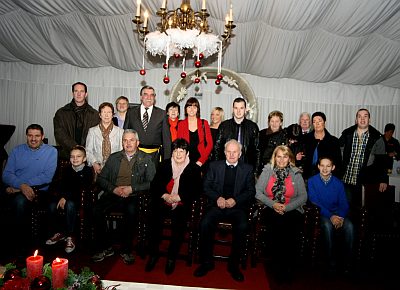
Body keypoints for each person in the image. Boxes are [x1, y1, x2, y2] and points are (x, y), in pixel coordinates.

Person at [193, 140, 255, 282]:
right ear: (224, 152)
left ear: (240, 154)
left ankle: (234, 266)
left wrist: (236, 200)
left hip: (237, 207)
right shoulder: (214, 166)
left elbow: (251, 191)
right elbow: (206, 186)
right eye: (229, 151)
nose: (232, 154)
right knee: (204, 224)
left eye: (235, 152)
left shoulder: (247, 169)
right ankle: (207, 263)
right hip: (217, 205)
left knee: (243, 226)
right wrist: (217, 198)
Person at [92, 129, 156, 264]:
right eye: (125, 140)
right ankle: (106, 246)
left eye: (131, 140)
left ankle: (126, 250)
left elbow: (152, 182)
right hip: (113, 193)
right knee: (95, 210)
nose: (128, 143)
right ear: (122, 142)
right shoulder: (113, 157)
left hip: (134, 195)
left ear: (137, 142)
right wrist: (113, 189)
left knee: (131, 212)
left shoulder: (146, 158)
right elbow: (101, 179)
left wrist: (132, 188)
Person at [145, 139, 202, 275]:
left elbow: (197, 190)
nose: (178, 154)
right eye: (175, 151)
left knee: (179, 224)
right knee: (154, 219)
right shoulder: (164, 165)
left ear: (187, 153)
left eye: (181, 151)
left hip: (182, 203)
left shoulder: (193, 168)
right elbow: (155, 185)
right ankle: (154, 254)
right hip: (164, 200)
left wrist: (180, 197)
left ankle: (171, 257)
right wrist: (164, 195)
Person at [2, 124, 57, 257]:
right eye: (30, 135)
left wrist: (21, 187)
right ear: (26, 136)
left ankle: (21, 245)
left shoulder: (51, 151)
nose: (33, 139)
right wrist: (21, 186)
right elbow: (6, 174)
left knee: (20, 201)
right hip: (16, 188)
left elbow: (46, 176)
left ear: (42, 136)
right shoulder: (17, 150)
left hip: (40, 192)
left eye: (37, 136)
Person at [255, 145, 307, 282]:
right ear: (274, 157)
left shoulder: (296, 173)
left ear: (290, 158)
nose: (282, 160)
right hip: (270, 207)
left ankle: (288, 266)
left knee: (290, 228)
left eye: (285, 156)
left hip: (292, 208)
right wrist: (274, 204)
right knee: (277, 225)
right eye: (279, 156)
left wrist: (286, 207)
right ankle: (277, 266)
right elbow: (258, 193)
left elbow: (303, 197)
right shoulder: (267, 170)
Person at [307, 157, 354, 275]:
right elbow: (314, 201)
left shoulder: (338, 183)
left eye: (328, 166)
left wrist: (341, 217)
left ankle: (347, 262)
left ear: (333, 168)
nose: (324, 168)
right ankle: (330, 262)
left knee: (349, 227)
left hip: (337, 214)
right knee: (327, 226)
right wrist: (331, 216)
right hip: (320, 213)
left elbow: (344, 203)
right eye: (322, 165)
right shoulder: (312, 181)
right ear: (318, 166)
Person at [45, 145, 93, 253]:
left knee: (70, 205)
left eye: (78, 156)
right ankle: (58, 233)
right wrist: (61, 197)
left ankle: (70, 236)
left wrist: (65, 197)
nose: (75, 159)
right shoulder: (66, 169)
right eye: (72, 156)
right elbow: (61, 185)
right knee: (52, 206)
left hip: (80, 199)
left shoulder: (88, 171)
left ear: (84, 158)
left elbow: (80, 187)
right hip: (65, 198)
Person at [339, 108, 384, 209]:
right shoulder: (347, 134)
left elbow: (382, 160)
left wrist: (383, 179)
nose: (362, 119)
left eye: (365, 116)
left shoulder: (377, 137)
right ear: (356, 120)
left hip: (365, 181)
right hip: (345, 180)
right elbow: (337, 153)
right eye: (359, 116)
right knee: (345, 209)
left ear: (369, 120)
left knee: (361, 210)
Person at [124, 85, 171, 164]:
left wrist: (167, 161)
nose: (149, 97)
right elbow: (125, 135)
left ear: (154, 97)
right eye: (146, 94)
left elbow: (167, 140)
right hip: (134, 156)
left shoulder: (162, 114)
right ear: (141, 97)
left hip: (154, 157)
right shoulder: (131, 112)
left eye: (152, 95)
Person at [54, 82, 100, 159]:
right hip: (67, 156)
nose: (79, 94)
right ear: (72, 93)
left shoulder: (94, 114)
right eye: (76, 91)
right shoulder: (61, 113)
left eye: (81, 91)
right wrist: (76, 148)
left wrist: (84, 152)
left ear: (86, 94)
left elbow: (96, 137)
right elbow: (59, 134)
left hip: (87, 157)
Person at [214, 98, 260, 174]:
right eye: (236, 108)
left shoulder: (253, 127)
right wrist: (217, 168)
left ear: (245, 110)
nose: (238, 111)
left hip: (246, 168)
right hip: (226, 168)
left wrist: (255, 172)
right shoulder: (224, 126)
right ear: (233, 109)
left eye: (241, 108)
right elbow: (217, 149)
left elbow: (257, 151)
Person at [86, 102, 124, 175]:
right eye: (104, 112)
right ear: (100, 115)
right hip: (97, 168)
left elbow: (122, 152)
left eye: (109, 112)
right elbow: (88, 151)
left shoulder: (120, 131)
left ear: (113, 115)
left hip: (115, 168)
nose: (106, 115)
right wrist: (94, 163)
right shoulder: (92, 131)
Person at [301, 112, 342, 180]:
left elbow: (338, 163)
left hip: (326, 177)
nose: (317, 123)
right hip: (307, 177)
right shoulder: (306, 139)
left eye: (319, 121)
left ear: (324, 122)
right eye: (314, 121)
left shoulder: (333, 141)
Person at [177, 97, 213, 168]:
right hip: (185, 161)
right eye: (189, 107)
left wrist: (201, 161)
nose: (191, 109)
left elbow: (210, 144)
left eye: (194, 107)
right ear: (186, 109)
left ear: (197, 109)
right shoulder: (181, 124)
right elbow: (179, 145)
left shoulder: (204, 123)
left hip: (202, 160)